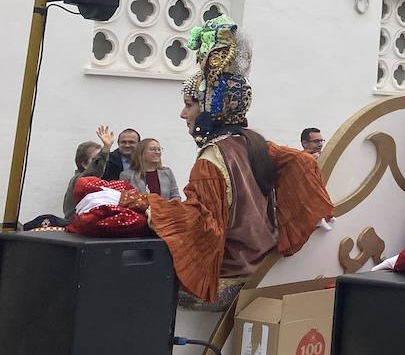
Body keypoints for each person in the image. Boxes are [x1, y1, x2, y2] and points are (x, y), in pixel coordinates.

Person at [104, 18, 332, 308]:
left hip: (227, 281)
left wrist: (144, 204)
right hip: (262, 274)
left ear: (210, 107)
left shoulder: (212, 159)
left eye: (189, 105)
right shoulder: (255, 143)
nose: (182, 114)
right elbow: (303, 161)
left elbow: (203, 226)